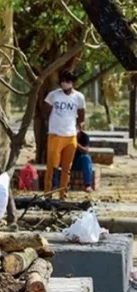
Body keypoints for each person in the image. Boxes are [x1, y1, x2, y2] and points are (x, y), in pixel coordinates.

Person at [43, 70, 86, 198]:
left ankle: (63, 194)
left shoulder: (79, 97)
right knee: (52, 166)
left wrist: (77, 127)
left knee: (66, 168)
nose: (64, 84)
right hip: (55, 135)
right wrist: (54, 123)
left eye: (67, 81)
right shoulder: (53, 95)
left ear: (72, 82)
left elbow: (81, 116)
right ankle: (48, 194)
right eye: (62, 81)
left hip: (71, 136)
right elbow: (45, 113)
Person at [53, 124, 94, 193]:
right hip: (66, 162)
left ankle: (87, 185)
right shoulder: (65, 136)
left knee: (86, 158)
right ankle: (55, 185)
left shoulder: (84, 136)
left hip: (77, 163)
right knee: (55, 159)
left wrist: (76, 144)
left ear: (79, 130)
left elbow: (86, 150)